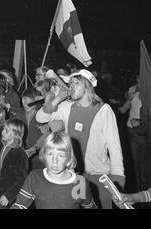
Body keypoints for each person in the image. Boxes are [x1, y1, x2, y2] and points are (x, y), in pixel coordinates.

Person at [35, 69, 125, 209]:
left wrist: (118, 182)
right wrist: (58, 99)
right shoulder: (67, 107)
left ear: (87, 85)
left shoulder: (104, 110)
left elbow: (115, 148)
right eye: (69, 83)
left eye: (75, 82)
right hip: (74, 176)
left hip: (99, 177)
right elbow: (40, 117)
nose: (70, 86)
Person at [12, 132, 96, 209]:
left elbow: (90, 207)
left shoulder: (79, 183)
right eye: (50, 154)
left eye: (61, 155)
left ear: (69, 158)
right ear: (44, 155)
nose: (54, 161)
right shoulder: (35, 178)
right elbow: (19, 205)